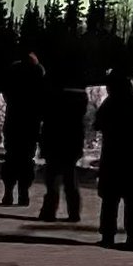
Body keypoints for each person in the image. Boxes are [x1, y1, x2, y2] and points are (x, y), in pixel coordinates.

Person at [94, 70, 133, 250]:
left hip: (112, 156)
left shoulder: (109, 104)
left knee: (110, 199)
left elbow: (98, 124)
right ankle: (132, 236)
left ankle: (108, 235)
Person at [37, 61, 88, 223]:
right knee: (70, 177)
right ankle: (73, 212)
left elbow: (44, 115)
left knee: (52, 178)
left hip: (54, 139)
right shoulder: (79, 97)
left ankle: (49, 211)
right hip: (72, 140)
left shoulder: (52, 96)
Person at [0, 50, 45, 206]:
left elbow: (5, 94)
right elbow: (42, 99)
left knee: (11, 157)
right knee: (26, 159)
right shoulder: (38, 73)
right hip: (30, 124)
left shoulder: (13, 73)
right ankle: (23, 193)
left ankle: (8, 192)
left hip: (14, 122)